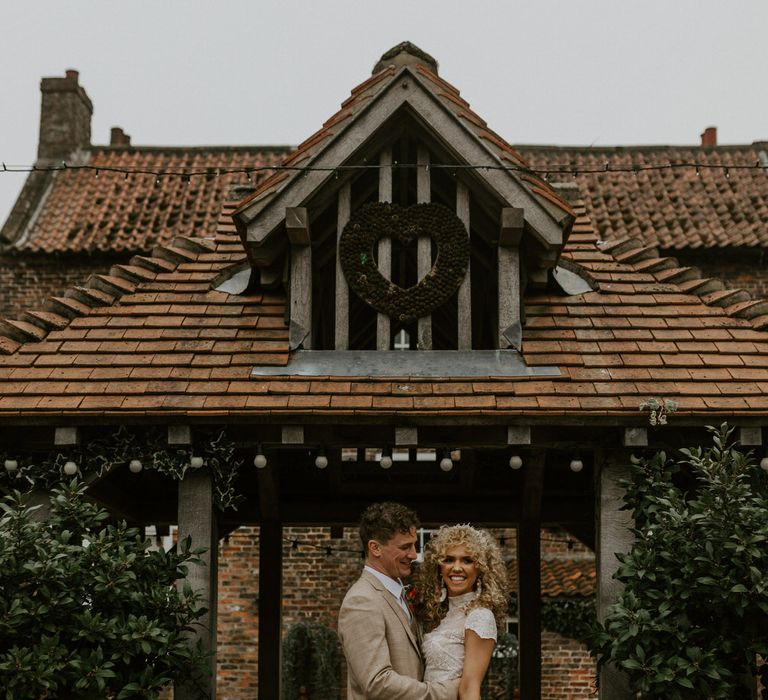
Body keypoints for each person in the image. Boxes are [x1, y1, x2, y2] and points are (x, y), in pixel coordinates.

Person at [338, 502, 459, 700]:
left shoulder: (400, 592)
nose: (413, 554)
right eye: (405, 547)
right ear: (375, 548)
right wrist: (443, 692)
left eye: (414, 545)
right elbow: (377, 682)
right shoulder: (361, 601)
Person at [415, 524, 509, 700]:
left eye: (467, 560)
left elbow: (469, 690)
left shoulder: (479, 616)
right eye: (449, 559)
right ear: (438, 566)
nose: (456, 568)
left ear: (480, 568)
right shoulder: (443, 613)